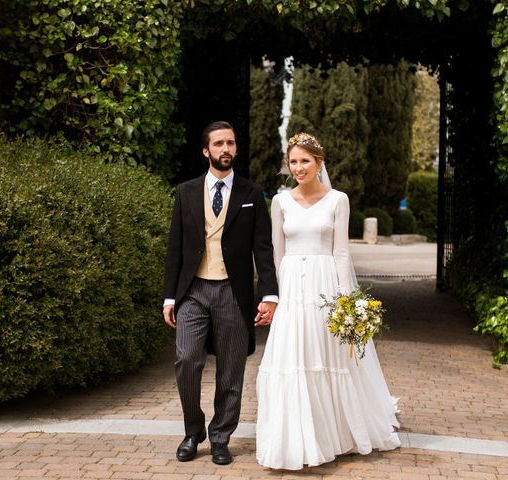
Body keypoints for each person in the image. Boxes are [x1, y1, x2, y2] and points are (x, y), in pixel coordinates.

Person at [255, 132, 400, 470]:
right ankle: (293, 440)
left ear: (319, 163)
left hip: (324, 289)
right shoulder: (280, 202)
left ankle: (334, 435)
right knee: (293, 359)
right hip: (292, 289)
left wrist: (348, 302)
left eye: (305, 160)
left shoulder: (338, 200)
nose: (298, 167)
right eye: (293, 161)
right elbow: (277, 253)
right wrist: (274, 297)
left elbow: (341, 252)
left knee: (326, 357)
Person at [163, 121, 279, 465]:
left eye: (230, 143)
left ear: (236, 149)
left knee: (231, 370)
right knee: (186, 358)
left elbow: (263, 248)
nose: (225, 148)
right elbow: (175, 249)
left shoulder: (251, 193)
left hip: (233, 292)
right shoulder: (185, 191)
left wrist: (268, 294)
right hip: (193, 290)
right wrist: (170, 297)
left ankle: (220, 437)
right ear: (206, 151)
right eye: (218, 144)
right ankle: (192, 430)